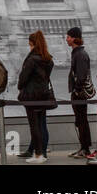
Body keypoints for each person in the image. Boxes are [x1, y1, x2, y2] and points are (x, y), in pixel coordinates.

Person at [17, 31, 55, 163]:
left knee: (34, 126)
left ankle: (38, 154)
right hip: (43, 95)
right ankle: (42, 153)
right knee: (42, 124)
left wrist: (20, 86)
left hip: (32, 96)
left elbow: (23, 78)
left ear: (31, 43)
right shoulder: (48, 59)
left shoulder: (32, 59)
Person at [66, 27, 95, 158]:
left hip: (80, 93)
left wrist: (76, 90)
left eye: (68, 37)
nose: (66, 39)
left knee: (82, 120)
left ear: (74, 38)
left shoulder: (80, 54)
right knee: (80, 120)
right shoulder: (77, 53)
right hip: (78, 92)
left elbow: (82, 76)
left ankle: (85, 148)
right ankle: (83, 147)